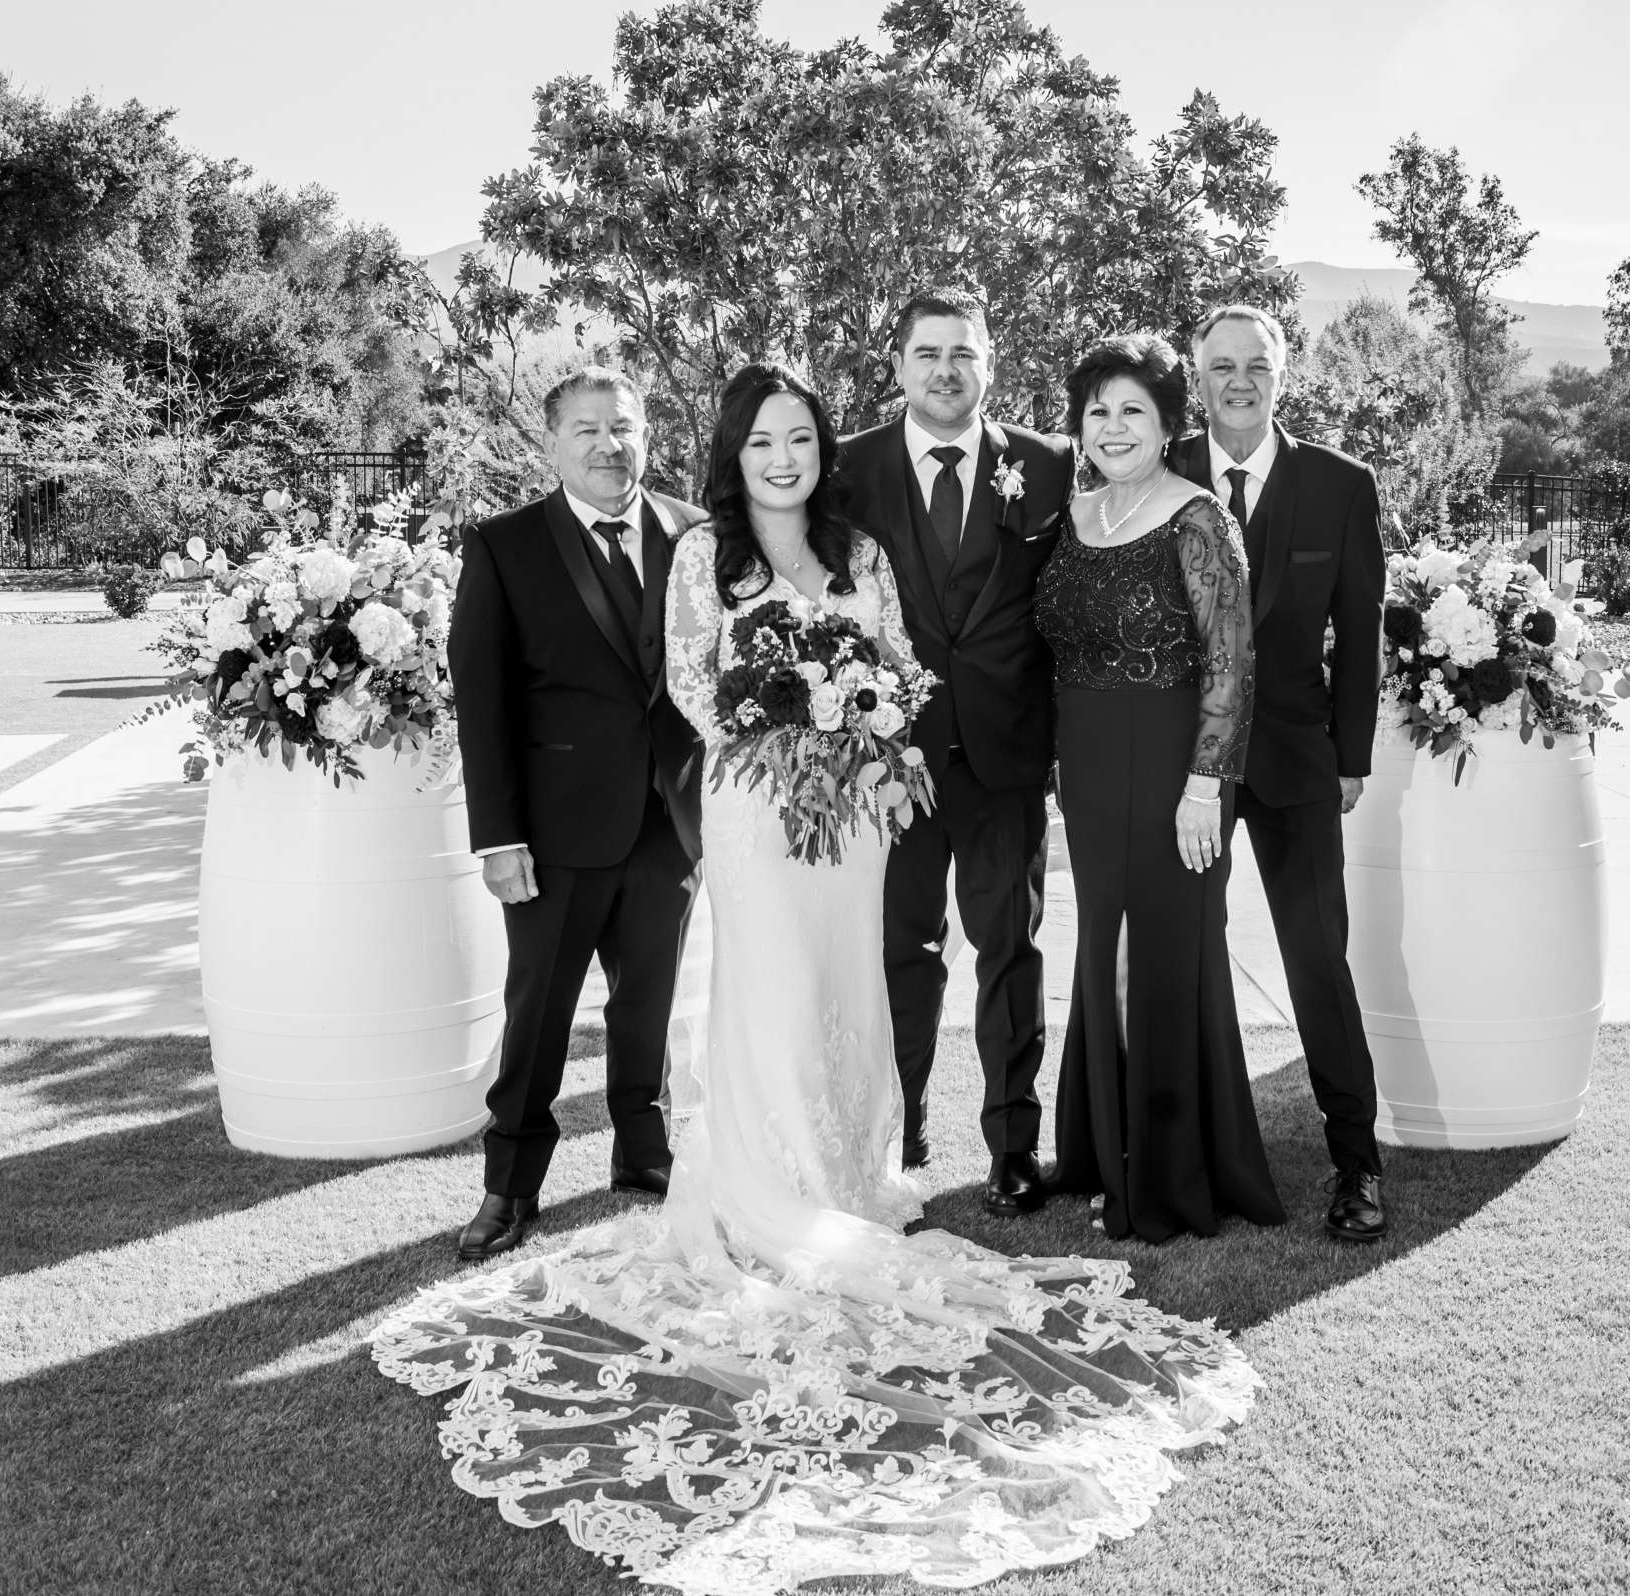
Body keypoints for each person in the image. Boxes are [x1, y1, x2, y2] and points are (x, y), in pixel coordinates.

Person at [375, 363, 1256, 1594]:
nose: (782, 458)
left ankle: (846, 1175)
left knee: (853, 987)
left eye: (799, 439)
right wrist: (776, 722)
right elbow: (692, 678)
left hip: (853, 816)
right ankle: (762, 1185)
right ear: (733, 454)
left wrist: (863, 724)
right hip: (750, 806)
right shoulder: (705, 558)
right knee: (770, 992)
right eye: (762, 442)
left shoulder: (860, 548)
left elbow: (896, 662)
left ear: (818, 451)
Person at [445, 367, 707, 1262]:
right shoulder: (503, 545)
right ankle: (509, 1188)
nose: (609, 444)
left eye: (624, 427)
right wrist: (499, 837)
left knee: (648, 1007)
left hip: (666, 825)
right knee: (539, 1015)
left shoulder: (692, 535)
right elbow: (481, 703)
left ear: (648, 434)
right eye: (587, 429)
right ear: (552, 442)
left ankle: (643, 1155)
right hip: (551, 837)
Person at [1037, 333, 1286, 1244]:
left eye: (1132, 410)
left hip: (1176, 766)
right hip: (1092, 773)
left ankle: (1172, 1173)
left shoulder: (1198, 519)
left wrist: (1204, 787)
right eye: (1097, 410)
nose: (1112, 427)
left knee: (1166, 955)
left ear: (1165, 421)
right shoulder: (1075, 515)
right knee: (1101, 949)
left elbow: (1233, 661)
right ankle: (1104, 1149)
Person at [835, 288, 1074, 1212]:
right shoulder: (847, 469)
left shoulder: (1049, 467)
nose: (946, 371)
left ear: (989, 365)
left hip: (1008, 758)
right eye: (928, 353)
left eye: (963, 355)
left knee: (1009, 952)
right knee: (900, 952)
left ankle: (1013, 1146)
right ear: (898, 365)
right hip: (889, 763)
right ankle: (904, 1127)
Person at [1173, 305, 1391, 1243]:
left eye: (1257, 365)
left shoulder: (1340, 485)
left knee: (1316, 960)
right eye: (1222, 366)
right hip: (1189, 768)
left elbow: (1362, 630)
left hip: (1302, 764)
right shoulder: (1161, 467)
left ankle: (1358, 1164)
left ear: (1282, 375)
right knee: (1184, 960)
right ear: (1198, 375)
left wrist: (1350, 758)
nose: (1240, 382)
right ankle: (1189, 1157)